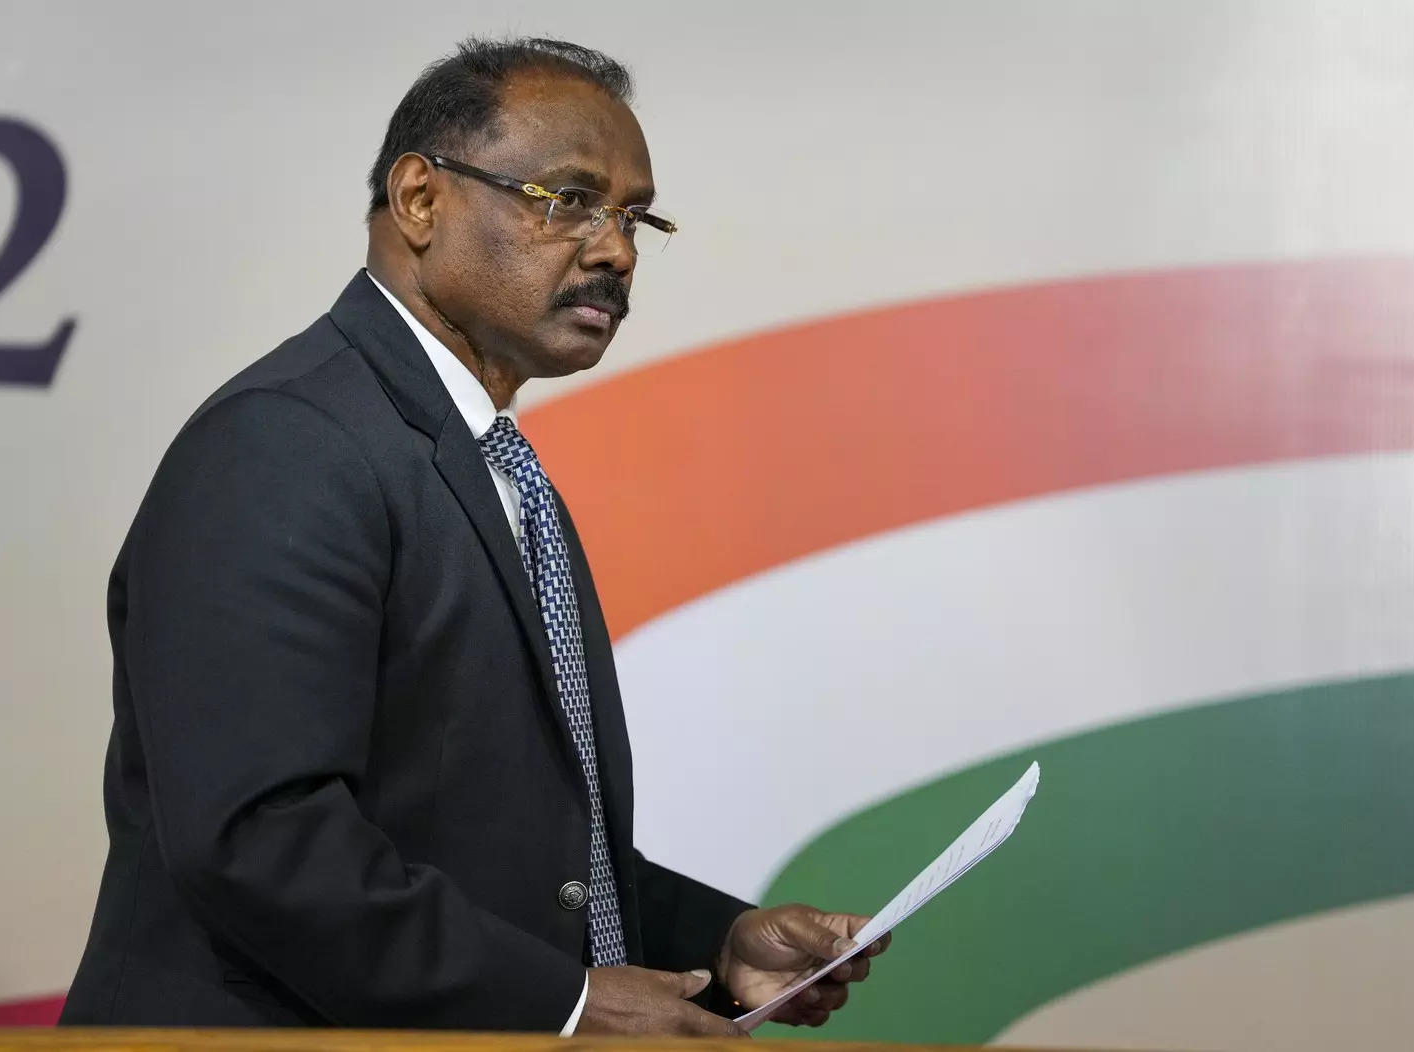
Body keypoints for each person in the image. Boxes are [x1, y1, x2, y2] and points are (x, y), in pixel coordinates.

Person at [61, 37, 887, 1036]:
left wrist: (718, 942)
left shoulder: (482, 460)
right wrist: (567, 1000)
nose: (616, 248)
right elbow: (263, 838)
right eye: (566, 199)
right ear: (420, 200)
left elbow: (503, 853)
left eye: (633, 215)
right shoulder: (287, 442)